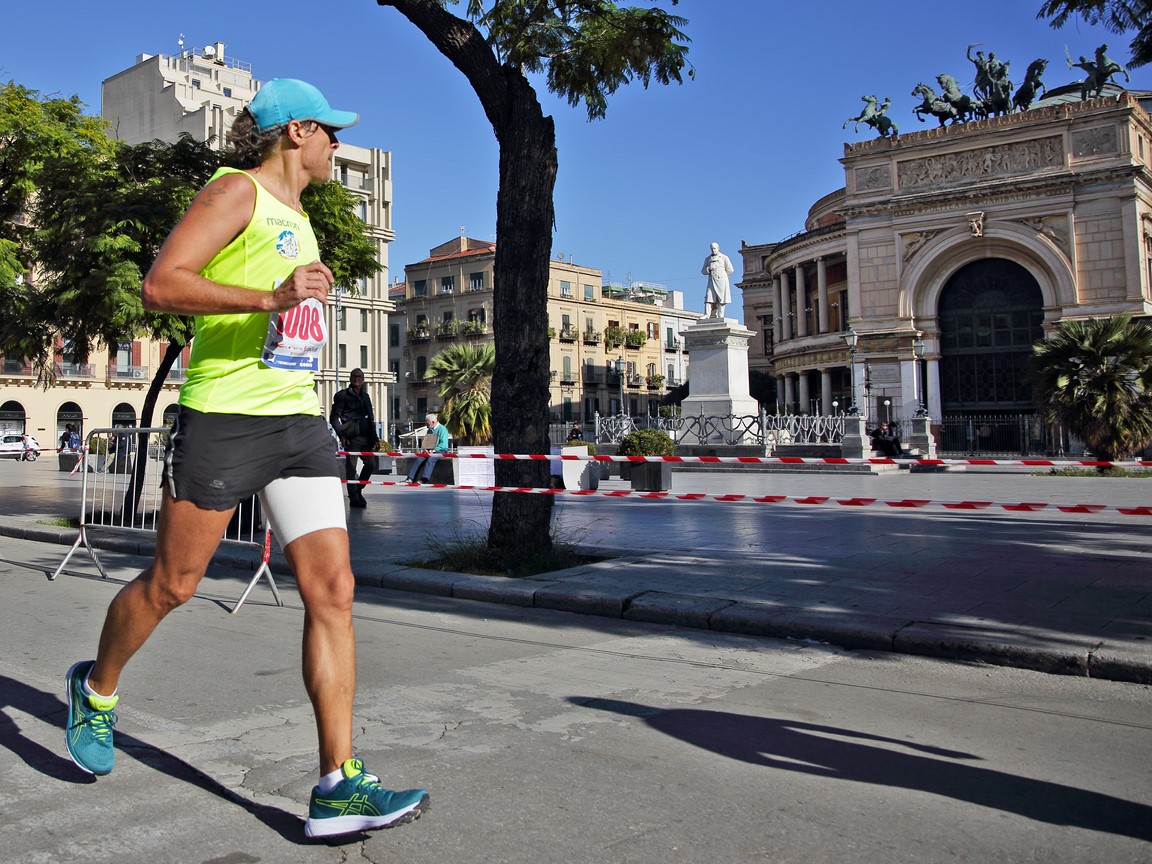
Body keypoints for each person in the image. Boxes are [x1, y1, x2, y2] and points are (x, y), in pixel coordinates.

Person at [62, 78, 429, 839]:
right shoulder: (235, 192)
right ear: (295, 131)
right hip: (224, 419)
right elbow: (161, 285)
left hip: (297, 422)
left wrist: (294, 311)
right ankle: (96, 690)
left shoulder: (303, 217)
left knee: (333, 589)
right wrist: (270, 297)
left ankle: (337, 782)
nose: (336, 143)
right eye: (329, 130)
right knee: (175, 584)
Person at [330, 368, 379, 508]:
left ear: (363, 379)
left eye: (360, 377)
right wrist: (341, 435)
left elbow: (371, 418)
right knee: (351, 468)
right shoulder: (342, 396)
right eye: (354, 376)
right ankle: (354, 498)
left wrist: (375, 437)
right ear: (350, 378)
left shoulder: (365, 397)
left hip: (366, 437)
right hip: (351, 437)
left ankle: (358, 490)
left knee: (371, 465)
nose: (357, 379)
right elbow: (334, 418)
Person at [406, 413, 449, 483]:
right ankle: (410, 478)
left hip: (441, 450)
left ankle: (425, 478)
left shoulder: (442, 429)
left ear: (433, 422)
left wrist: (434, 450)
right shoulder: (429, 430)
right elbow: (427, 441)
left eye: (427, 423)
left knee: (431, 459)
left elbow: (443, 444)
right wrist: (426, 449)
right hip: (430, 449)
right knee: (419, 458)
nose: (426, 425)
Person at [701, 242, 733, 318]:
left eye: (714, 248)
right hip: (711, 280)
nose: (713, 250)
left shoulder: (724, 257)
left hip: (722, 280)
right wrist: (709, 269)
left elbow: (730, 269)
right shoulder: (708, 259)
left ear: (718, 248)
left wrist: (723, 276)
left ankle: (720, 314)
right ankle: (707, 314)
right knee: (709, 296)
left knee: (721, 298)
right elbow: (703, 271)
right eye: (712, 249)